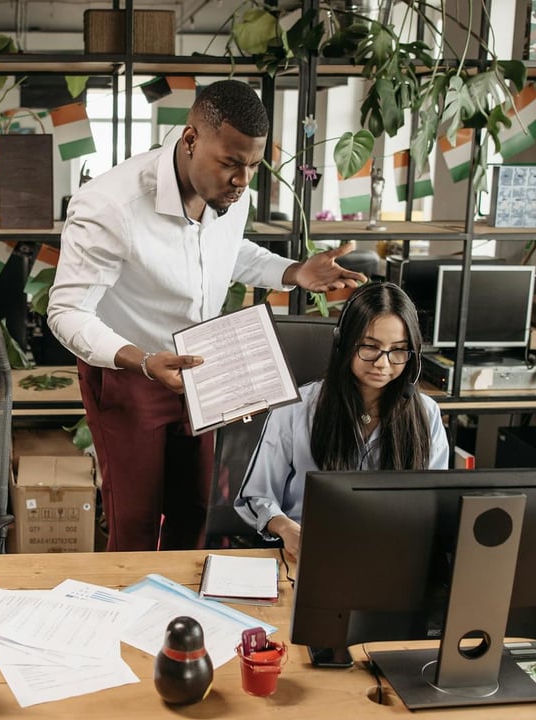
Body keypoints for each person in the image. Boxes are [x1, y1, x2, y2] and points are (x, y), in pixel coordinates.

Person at [47, 79, 368, 552]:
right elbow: (66, 311)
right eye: (231, 163)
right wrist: (144, 361)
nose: (243, 180)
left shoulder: (229, 192)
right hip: (129, 372)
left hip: (202, 368)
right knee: (135, 522)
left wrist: (294, 272)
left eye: (254, 166)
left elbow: (227, 251)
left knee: (195, 510)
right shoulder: (110, 205)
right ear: (191, 139)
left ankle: (180, 599)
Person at [235, 282, 450, 562]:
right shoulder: (296, 408)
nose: (383, 363)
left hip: (389, 558)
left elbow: (434, 504)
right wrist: (285, 528)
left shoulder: (427, 414)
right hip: (308, 554)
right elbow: (256, 496)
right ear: (343, 343)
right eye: (370, 347)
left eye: (398, 350)